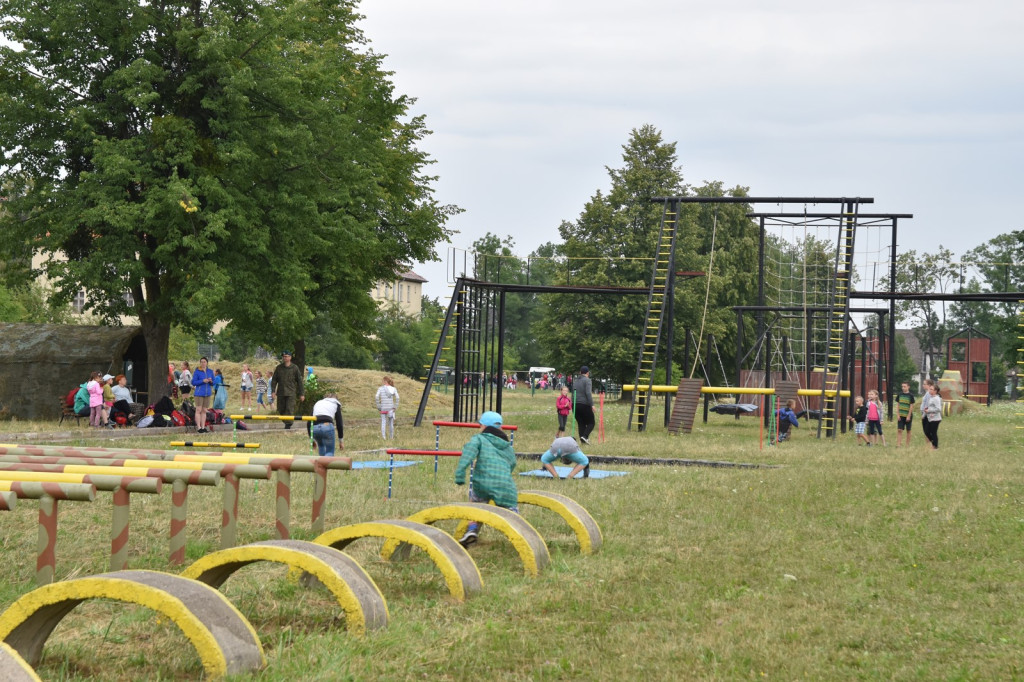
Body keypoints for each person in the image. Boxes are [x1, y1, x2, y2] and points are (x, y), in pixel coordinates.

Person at [454, 411, 517, 548]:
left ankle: (472, 530)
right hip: (505, 485)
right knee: (512, 512)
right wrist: (505, 474)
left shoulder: (479, 439)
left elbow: (468, 454)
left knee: (475, 505)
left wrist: (460, 474)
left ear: (483, 426)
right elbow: (512, 462)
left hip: (483, 483)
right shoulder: (507, 445)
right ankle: (520, 530)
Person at [269, 351, 305, 429]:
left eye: (286, 356)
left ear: (290, 357)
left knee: (289, 409)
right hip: (281, 392)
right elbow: (274, 380)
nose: (285, 358)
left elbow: (299, 381)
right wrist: (273, 391)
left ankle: (288, 425)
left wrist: (302, 394)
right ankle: (288, 422)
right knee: (281, 410)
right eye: (283, 356)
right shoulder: (279, 368)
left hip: (291, 393)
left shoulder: (295, 368)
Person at [308, 391, 344, 456]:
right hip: (327, 426)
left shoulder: (318, 403)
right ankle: (326, 464)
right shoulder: (335, 403)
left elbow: (309, 422)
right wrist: (341, 440)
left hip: (315, 428)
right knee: (329, 452)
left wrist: (312, 439)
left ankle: (321, 464)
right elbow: (339, 424)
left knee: (321, 447)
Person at [191, 356, 216, 433]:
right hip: (199, 393)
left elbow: (214, 382)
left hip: (207, 393)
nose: (203, 363)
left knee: (204, 410)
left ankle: (203, 426)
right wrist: (202, 381)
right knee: (198, 409)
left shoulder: (210, 371)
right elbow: (193, 382)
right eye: (201, 362)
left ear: (207, 363)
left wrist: (211, 381)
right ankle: (198, 427)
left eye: (204, 362)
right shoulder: (197, 371)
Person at [573, 366, 595, 444]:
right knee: (591, 422)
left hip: (575, 404)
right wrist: (592, 404)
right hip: (584, 404)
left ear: (580, 372)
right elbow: (588, 393)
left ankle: (583, 441)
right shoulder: (587, 380)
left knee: (581, 423)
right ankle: (585, 436)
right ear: (587, 373)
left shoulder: (575, 381)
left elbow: (573, 393)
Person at [920, 380, 942, 449]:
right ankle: (934, 444)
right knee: (927, 432)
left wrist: (928, 411)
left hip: (935, 418)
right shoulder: (932, 397)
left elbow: (938, 409)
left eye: (931, 389)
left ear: (935, 391)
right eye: (930, 389)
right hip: (931, 418)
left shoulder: (936, 398)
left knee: (933, 432)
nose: (930, 390)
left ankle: (935, 446)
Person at [896, 381, 915, 447]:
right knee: (899, 430)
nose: (903, 388)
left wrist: (908, 416)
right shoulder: (900, 394)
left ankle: (907, 444)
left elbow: (911, 406)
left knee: (908, 430)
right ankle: (898, 444)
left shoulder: (911, 396)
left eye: (905, 386)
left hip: (907, 415)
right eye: (902, 386)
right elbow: (898, 405)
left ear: (908, 387)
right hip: (901, 415)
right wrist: (898, 414)